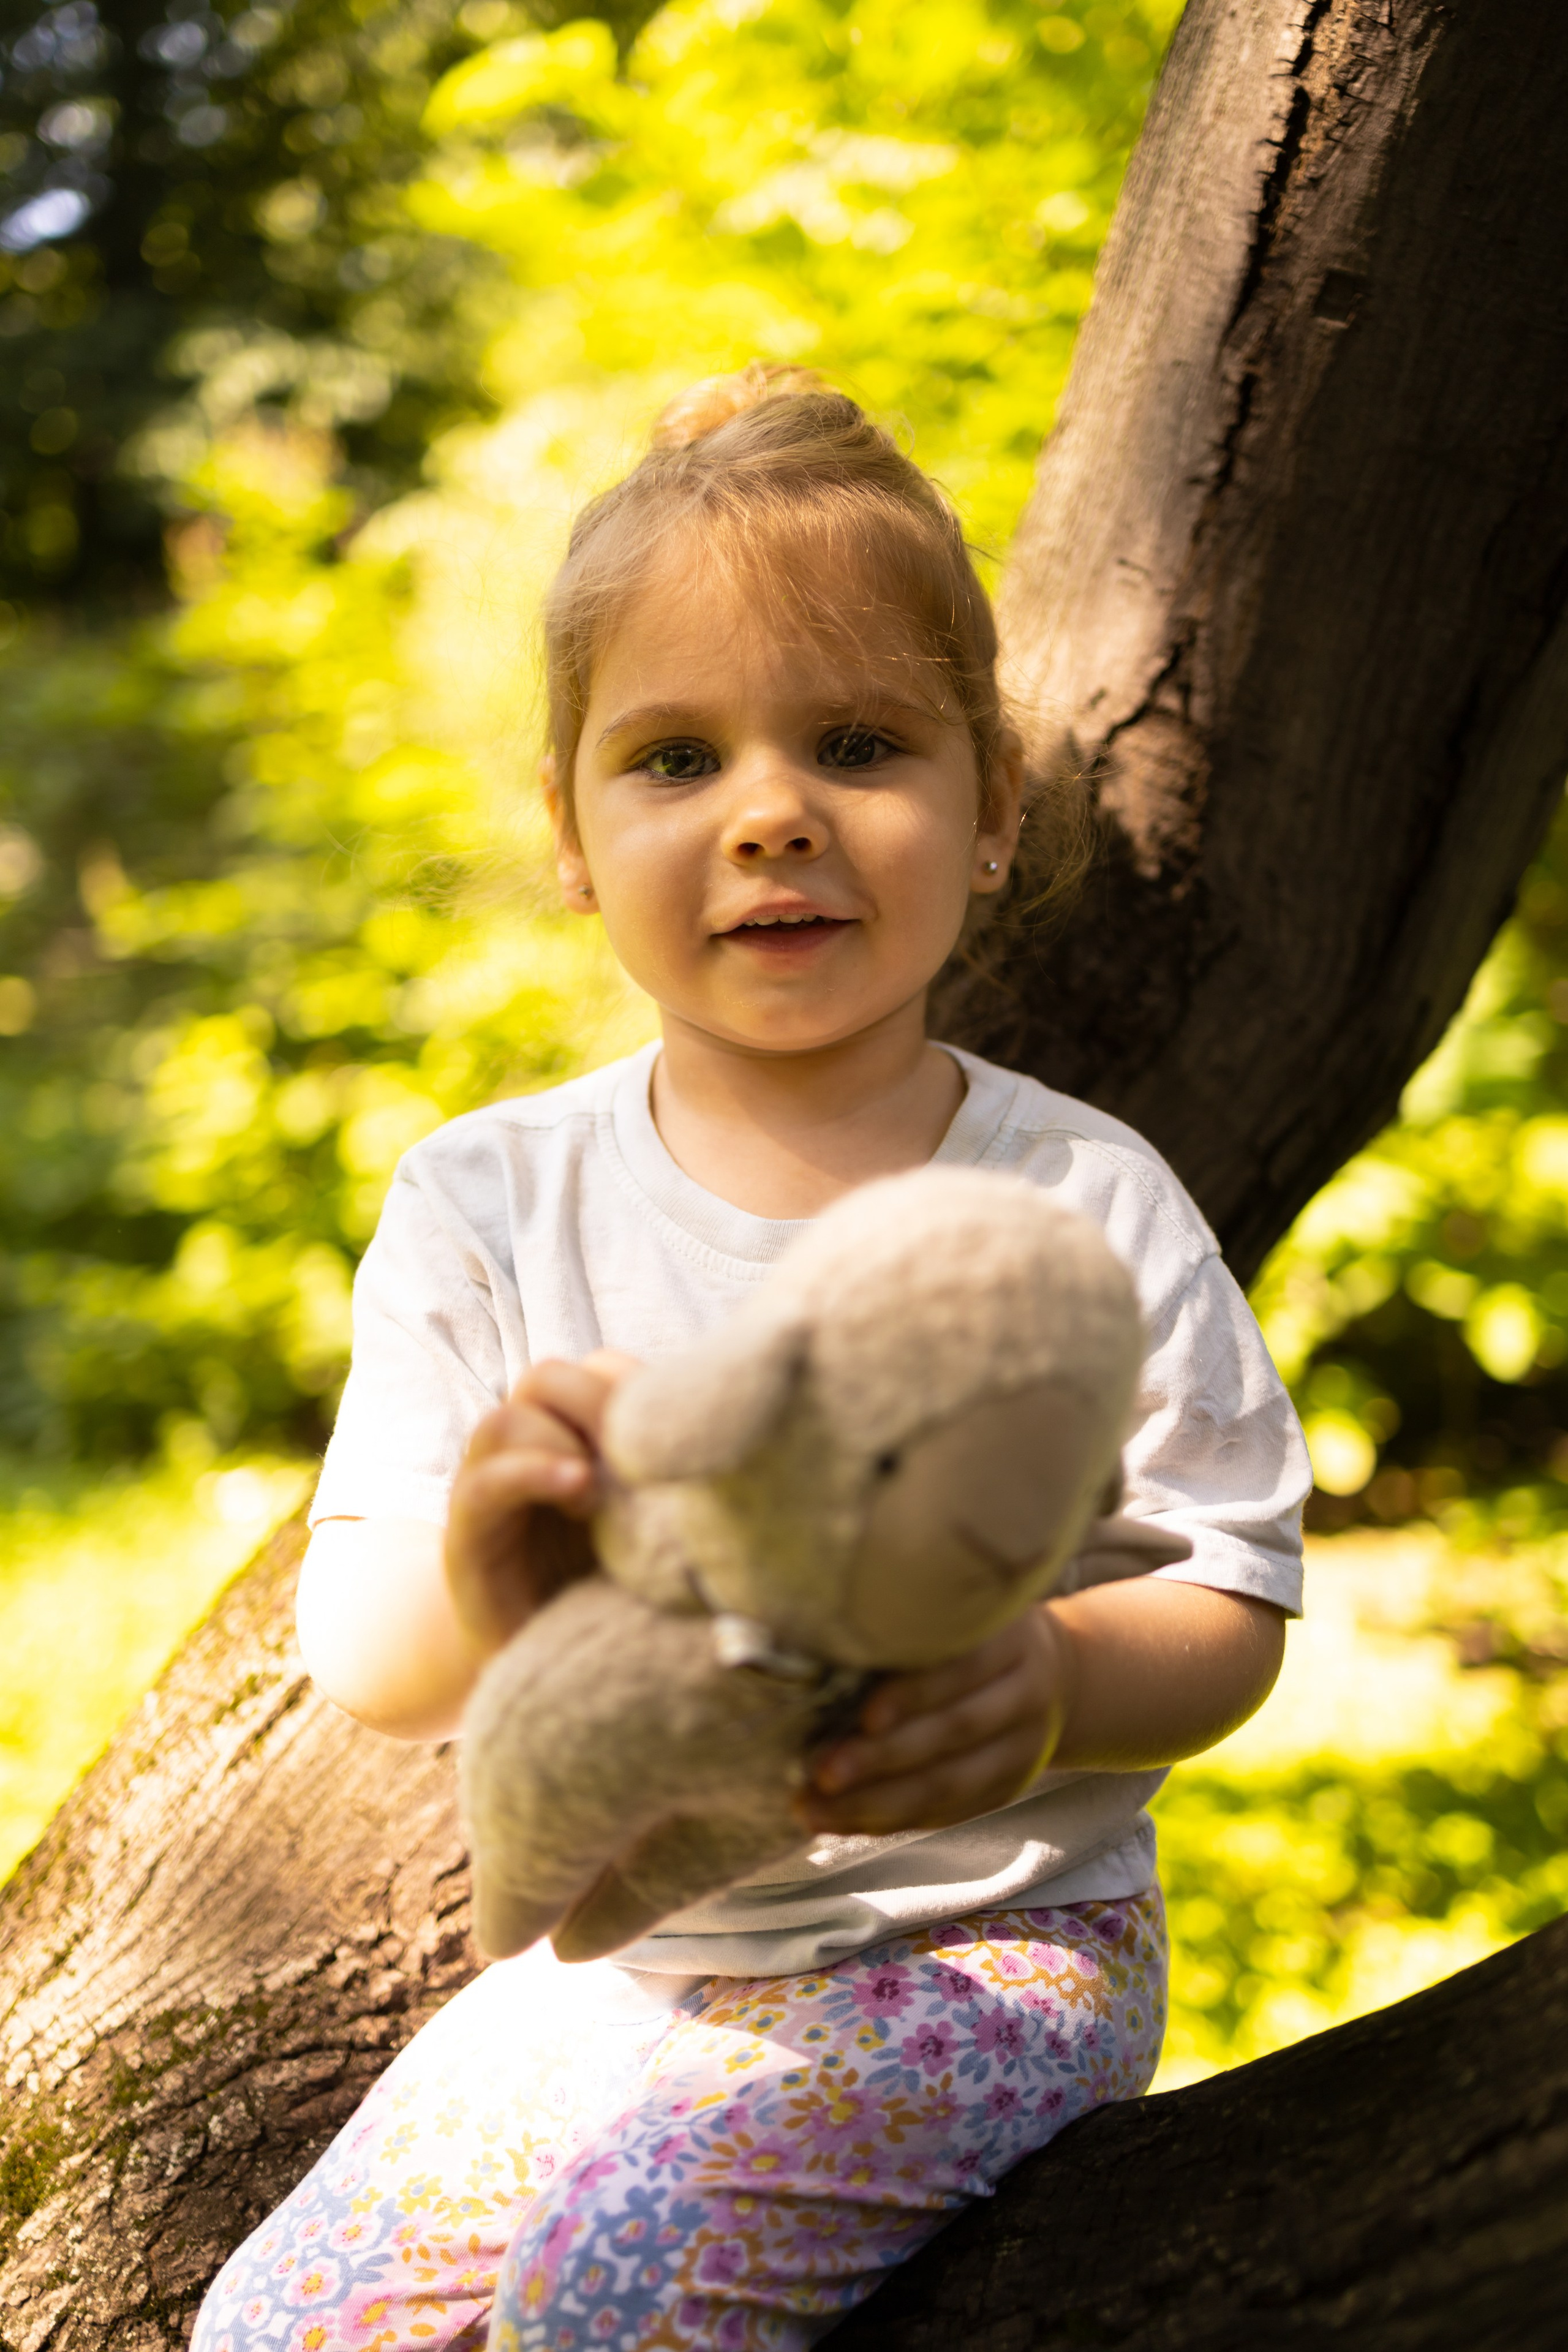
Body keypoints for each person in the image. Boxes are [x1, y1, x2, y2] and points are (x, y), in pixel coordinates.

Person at [192, 366, 1310, 2352]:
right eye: (676, 756)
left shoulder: (1077, 1196)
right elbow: (368, 1657)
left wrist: (1053, 1675)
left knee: (612, 2288)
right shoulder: (490, 1201)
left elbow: (1232, 1589)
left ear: (993, 809)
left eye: (859, 744)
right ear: (572, 834)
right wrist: (499, 1561)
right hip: (626, 1970)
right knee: (279, 2327)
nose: (773, 812)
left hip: (986, 1947)